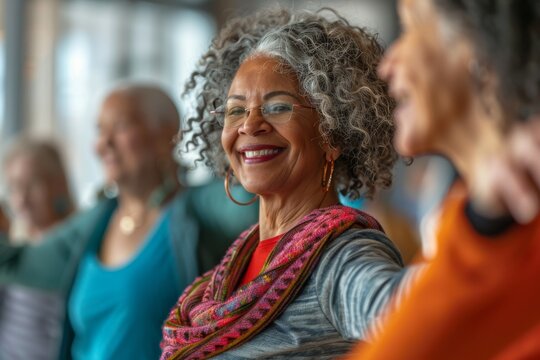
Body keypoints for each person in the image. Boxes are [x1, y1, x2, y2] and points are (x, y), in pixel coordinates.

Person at [160, 9, 422, 359]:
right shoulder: (235, 264)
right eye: (236, 110)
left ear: (330, 132)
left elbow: (417, 319)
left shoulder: (341, 257)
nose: (250, 125)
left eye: (278, 107)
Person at [0, 84, 258, 360]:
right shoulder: (97, 220)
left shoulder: (199, 208)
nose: (103, 144)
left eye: (120, 126)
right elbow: (14, 264)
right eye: (100, 130)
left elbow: (260, 199)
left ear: (166, 133)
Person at [346, 0, 540, 359]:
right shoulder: (461, 225)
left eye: (410, 29)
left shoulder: (501, 234)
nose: (387, 65)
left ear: (479, 43)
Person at [0, 138, 74, 360]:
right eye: (14, 187)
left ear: (59, 184)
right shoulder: (14, 246)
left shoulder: (75, 247)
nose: (21, 199)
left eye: (32, 184)